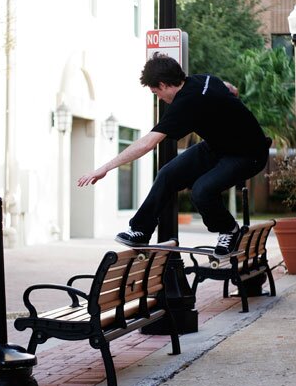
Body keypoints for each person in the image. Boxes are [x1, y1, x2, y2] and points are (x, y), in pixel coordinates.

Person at [77, 54, 270, 255]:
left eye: (156, 92)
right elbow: (228, 86)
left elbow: (147, 144)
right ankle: (141, 230)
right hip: (218, 147)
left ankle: (229, 229)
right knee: (168, 174)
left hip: (249, 154)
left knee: (202, 190)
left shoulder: (185, 104)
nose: (159, 98)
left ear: (163, 84)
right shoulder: (204, 79)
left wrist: (104, 168)